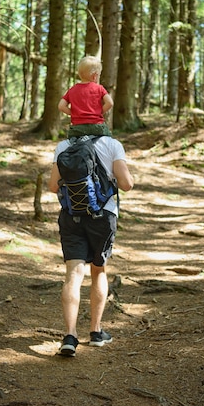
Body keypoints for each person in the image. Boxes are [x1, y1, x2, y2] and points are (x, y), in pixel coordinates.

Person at [48, 135, 134, 356]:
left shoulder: (63, 146)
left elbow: (51, 186)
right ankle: (96, 332)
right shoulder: (112, 144)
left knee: (73, 275)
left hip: (71, 216)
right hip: (103, 216)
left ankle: (70, 336)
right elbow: (127, 184)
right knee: (98, 270)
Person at [58, 55, 114, 138]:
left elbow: (61, 106)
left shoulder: (72, 89)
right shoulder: (99, 88)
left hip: (77, 127)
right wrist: (99, 111)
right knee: (109, 139)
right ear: (95, 76)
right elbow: (110, 103)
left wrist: (73, 113)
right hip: (97, 127)